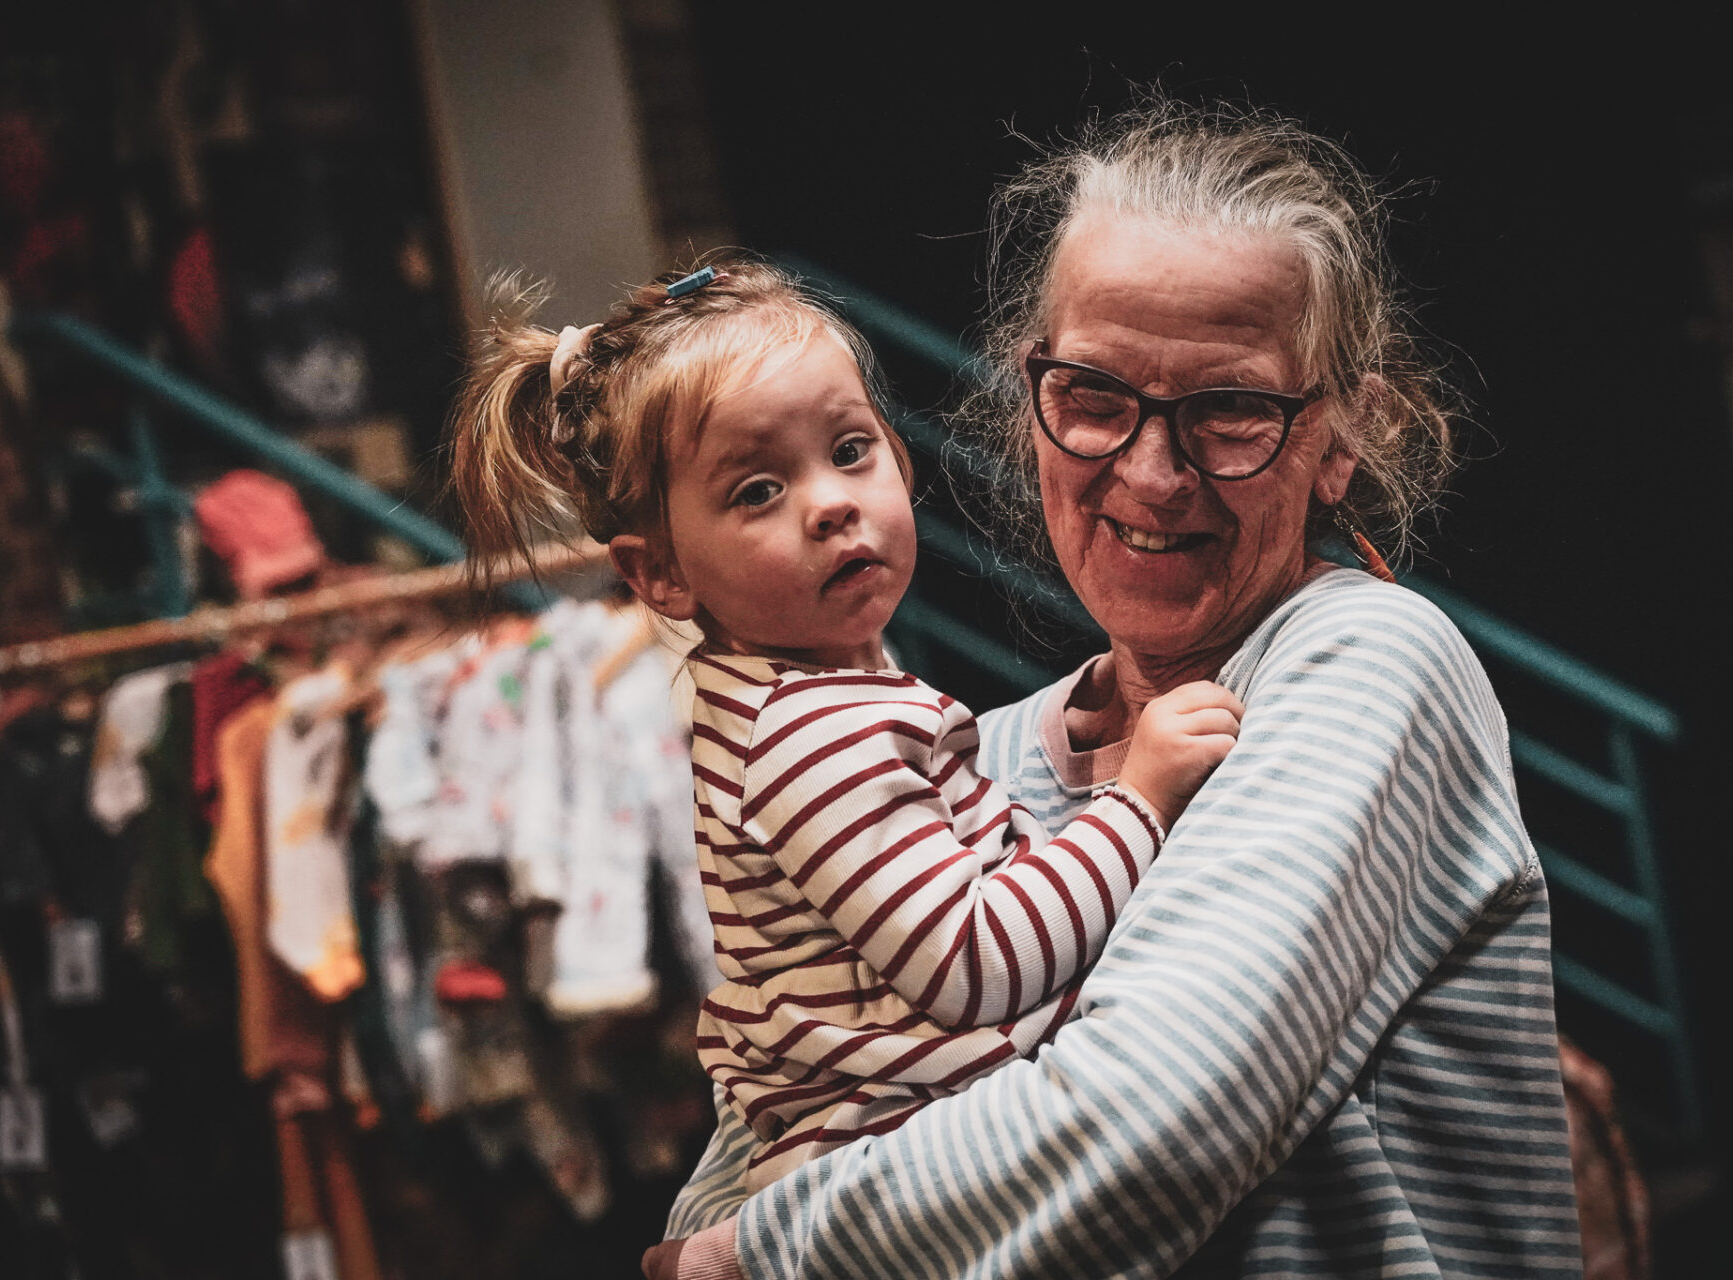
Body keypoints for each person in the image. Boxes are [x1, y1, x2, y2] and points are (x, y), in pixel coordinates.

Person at [647, 102, 1582, 1279]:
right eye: (1095, 396)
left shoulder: (1362, 663)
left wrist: (767, 1251)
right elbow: (762, 1125)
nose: (1150, 472)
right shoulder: (958, 758)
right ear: (1028, 395)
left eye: (1230, 409)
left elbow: (1154, 1116)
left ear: (1340, 436)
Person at [448, 260, 1245, 1194]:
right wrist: (1139, 797)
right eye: (756, 491)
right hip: (916, 1167)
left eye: (851, 450)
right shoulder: (811, 739)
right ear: (661, 573)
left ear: (899, 462)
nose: (828, 503)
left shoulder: (811, 698)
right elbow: (977, 965)